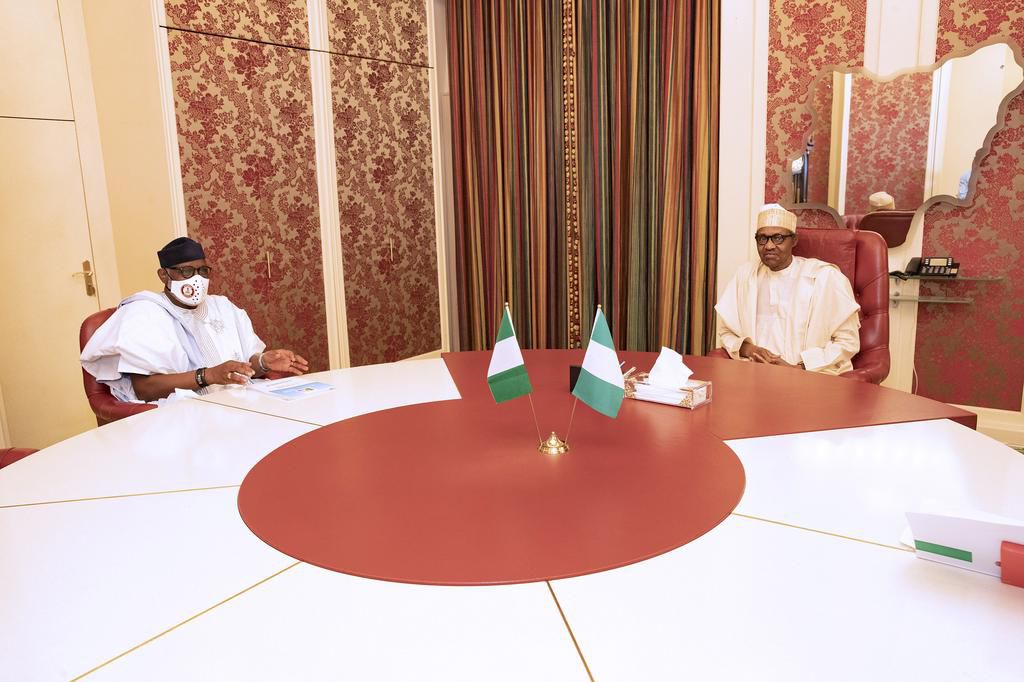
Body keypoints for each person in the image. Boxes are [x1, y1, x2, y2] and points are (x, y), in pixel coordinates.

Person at [81, 237, 308, 402]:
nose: (197, 279)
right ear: (164, 275)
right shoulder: (144, 313)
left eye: (203, 271)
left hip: (240, 408)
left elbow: (241, 371)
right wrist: (208, 376)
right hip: (185, 419)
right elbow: (145, 389)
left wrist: (262, 363)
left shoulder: (223, 307)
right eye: (187, 272)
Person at [714, 204, 861, 375]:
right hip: (754, 375)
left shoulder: (825, 277)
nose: (768, 246)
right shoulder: (745, 276)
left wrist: (798, 368)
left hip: (809, 377)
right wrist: (748, 348)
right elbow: (726, 331)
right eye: (762, 238)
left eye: (778, 238)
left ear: (794, 240)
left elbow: (847, 341)